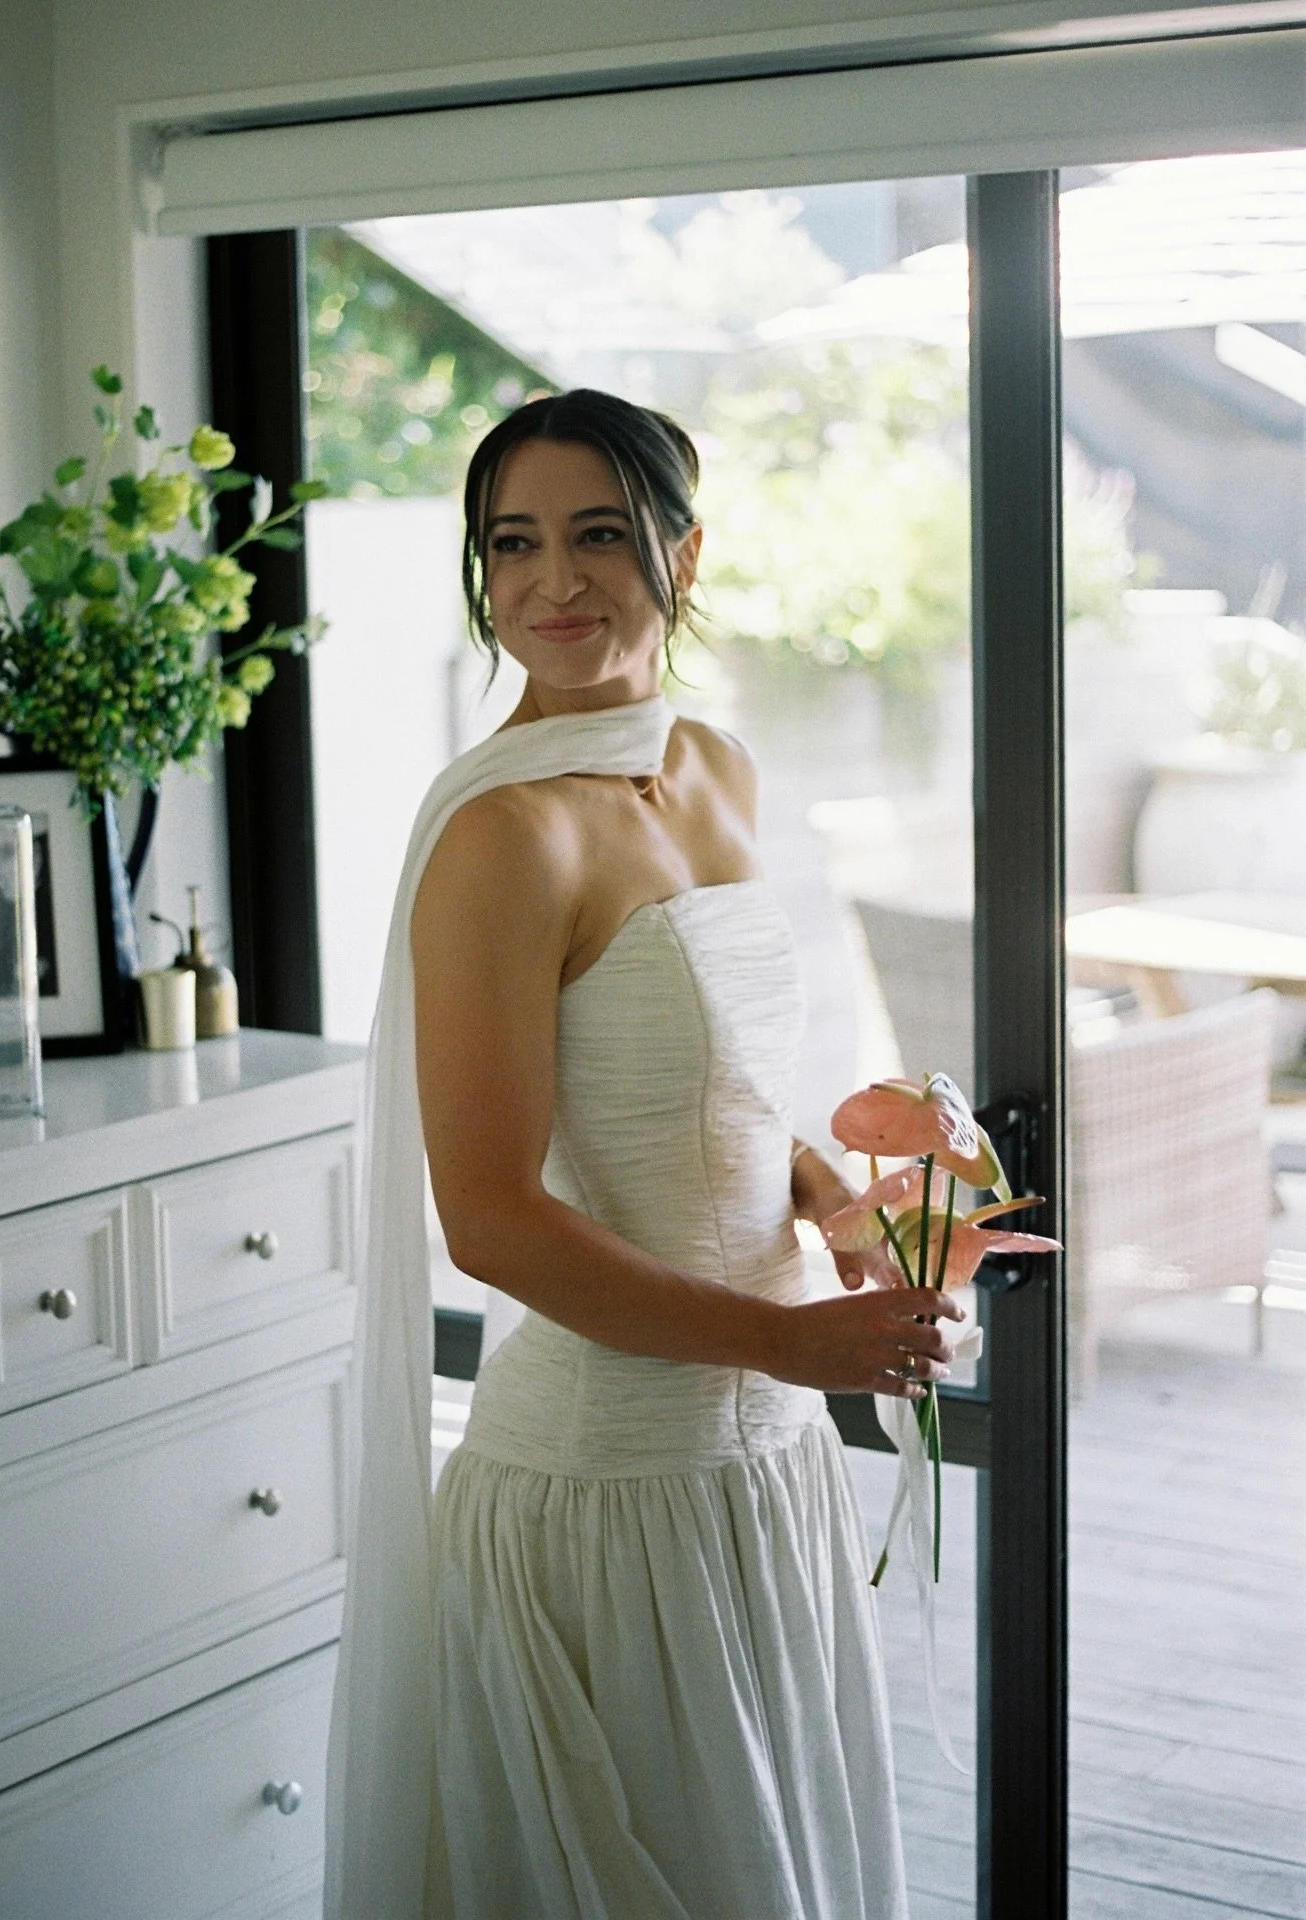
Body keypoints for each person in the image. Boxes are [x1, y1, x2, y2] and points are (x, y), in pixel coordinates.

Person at [324, 389, 964, 1920]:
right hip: (607, 1492)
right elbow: (490, 1222)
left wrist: (828, 1195)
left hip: (764, 1466)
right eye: (513, 543)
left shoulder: (715, 765)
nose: (553, 582)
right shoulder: (504, 837)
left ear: (683, 550)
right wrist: (789, 1341)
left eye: (598, 534)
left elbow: (707, 1081)